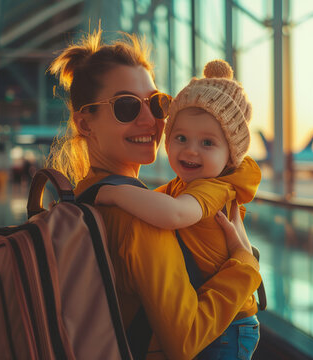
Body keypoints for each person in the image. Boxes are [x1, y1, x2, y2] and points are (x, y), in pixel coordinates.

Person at [47, 28, 261, 359]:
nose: (151, 121)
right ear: (85, 123)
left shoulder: (84, 195)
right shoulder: (142, 218)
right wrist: (245, 266)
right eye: (127, 106)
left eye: (157, 103)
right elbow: (186, 338)